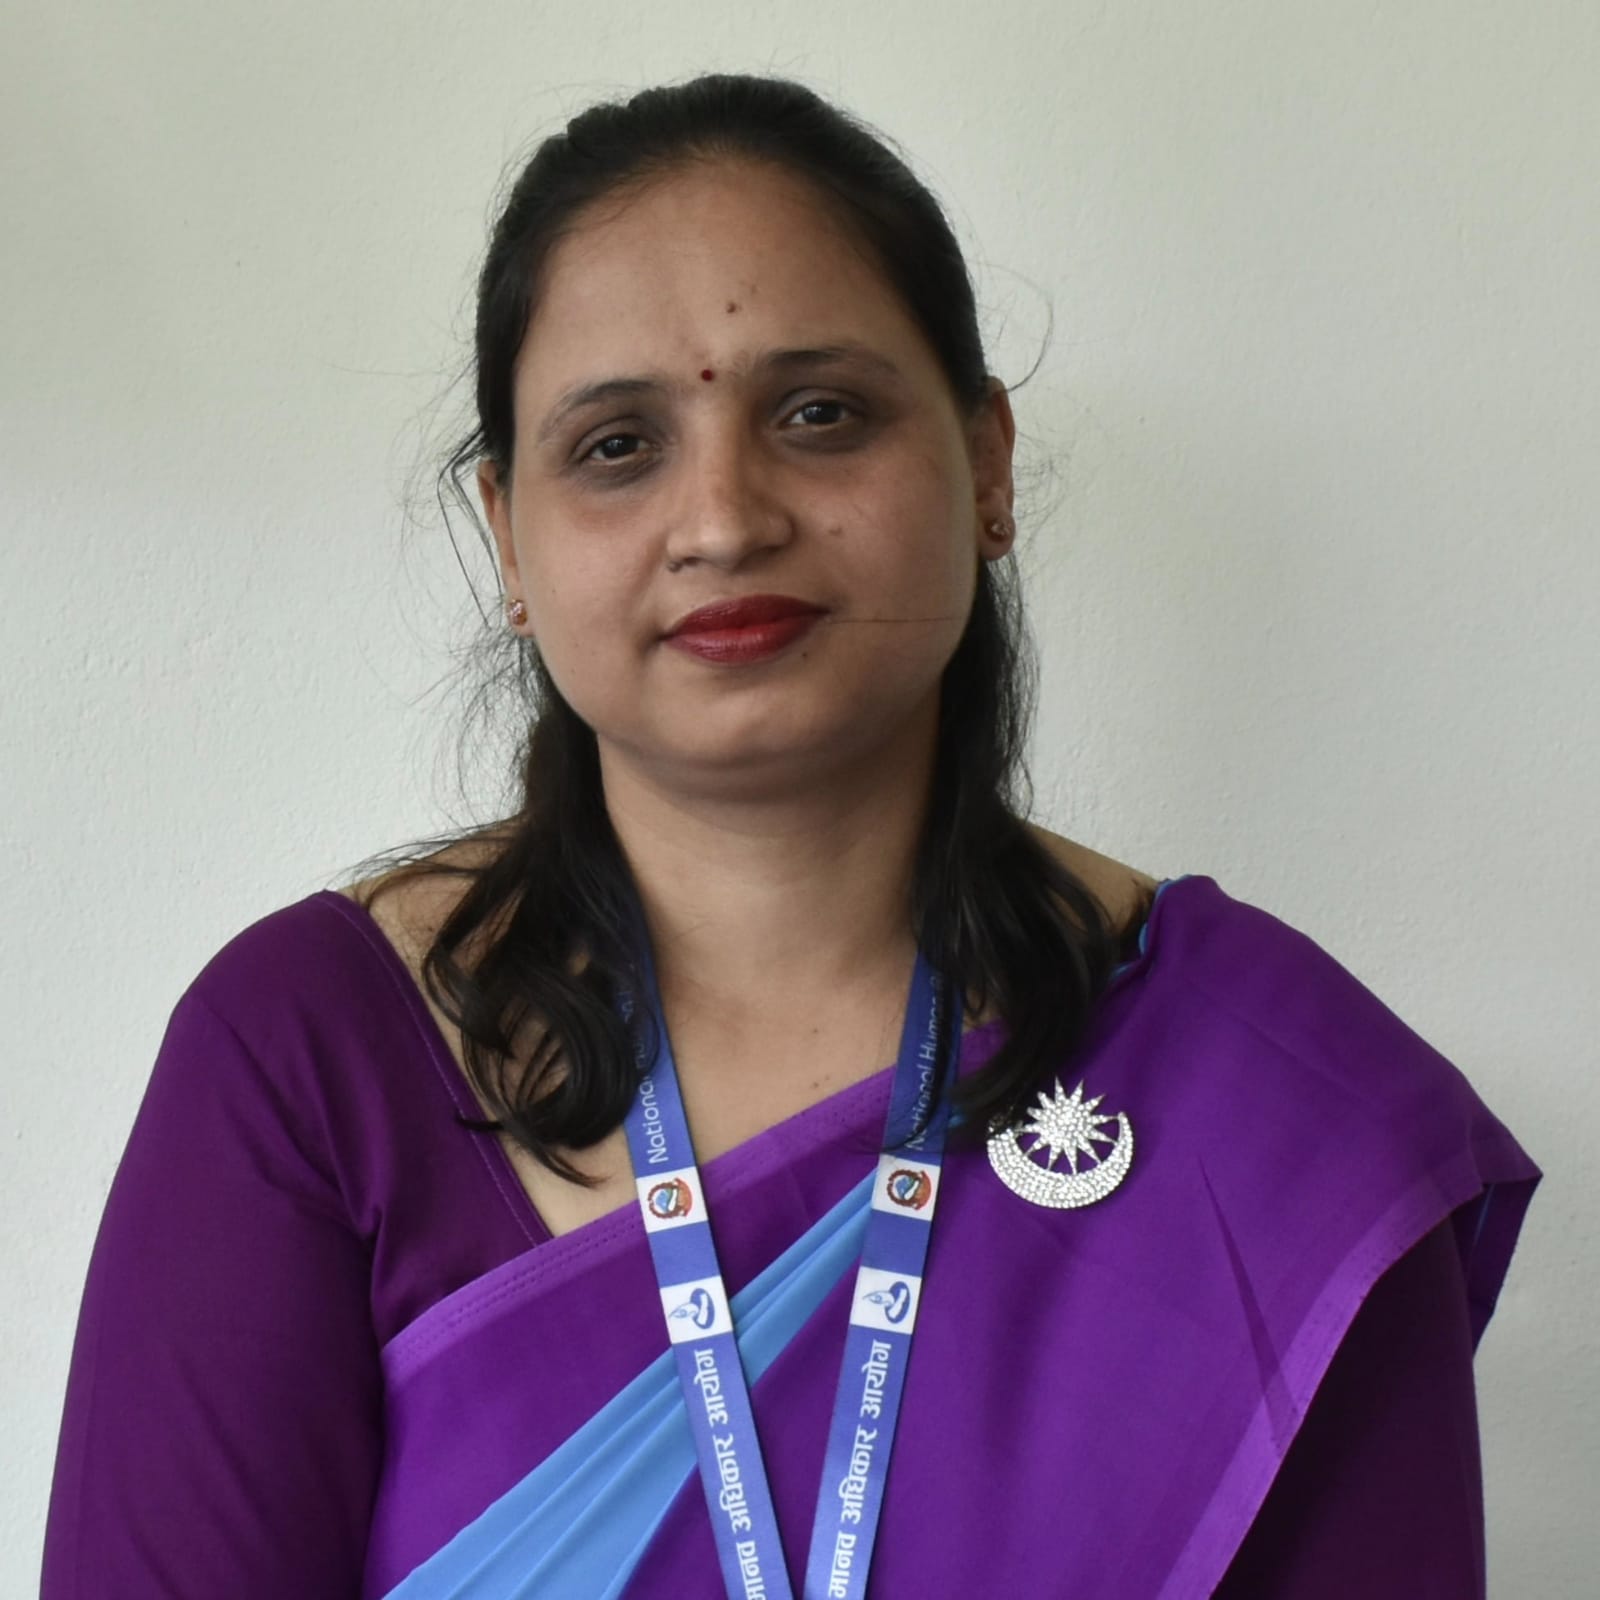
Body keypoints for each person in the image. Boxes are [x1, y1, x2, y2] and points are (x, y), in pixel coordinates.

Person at [41, 72, 1540, 1600]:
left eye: (819, 414)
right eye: (617, 444)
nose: (724, 518)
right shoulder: (309, 1056)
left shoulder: (1279, 1111)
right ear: (509, 538)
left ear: (987, 463)